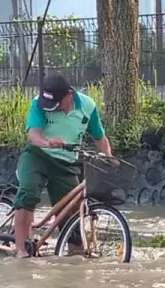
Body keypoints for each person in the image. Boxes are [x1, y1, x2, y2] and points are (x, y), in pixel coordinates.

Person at [13, 74, 113, 258]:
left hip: (66, 163)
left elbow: (99, 136)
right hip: (38, 156)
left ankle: (74, 254)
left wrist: (108, 157)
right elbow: (33, 135)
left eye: (56, 104)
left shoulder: (87, 106)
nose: (53, 108)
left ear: (68, 95)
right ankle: (20, 250)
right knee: (28, 194)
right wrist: (47, 142)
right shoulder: (38, 104)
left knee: (72, 211)